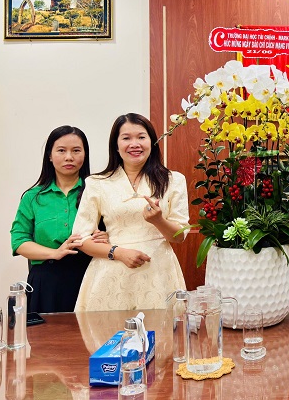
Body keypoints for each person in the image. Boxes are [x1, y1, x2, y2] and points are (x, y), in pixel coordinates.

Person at [72, 113, 189, 311]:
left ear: (152, 142)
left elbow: (179, 237)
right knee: (108, 330)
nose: (134, 144)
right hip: (110, 274)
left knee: (162, 330)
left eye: (141, 137)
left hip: (159, 273)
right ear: (116, 146)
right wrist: (118, 253)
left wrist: (158, 220)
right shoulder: (97, 183)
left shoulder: (174, 180)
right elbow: (80, 239)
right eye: (126, 138)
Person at [11, 126, 108, 313]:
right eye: (61, 150)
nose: (69, 157)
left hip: (90, 276)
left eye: (76, 150)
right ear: (50, 155)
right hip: (46, 282)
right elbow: (19, 241)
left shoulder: (98, 192)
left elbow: (115, 230)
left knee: (89, 332)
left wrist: (106, 237)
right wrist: (55, 252)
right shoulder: (32, 197)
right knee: (47, 332)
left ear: (85, 155)